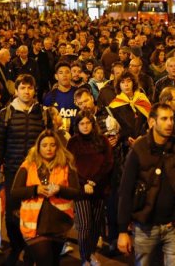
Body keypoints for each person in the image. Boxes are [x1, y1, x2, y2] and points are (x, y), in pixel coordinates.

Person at [0, 74, 55, 265]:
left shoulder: (43, 113)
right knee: (12, 214)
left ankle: (30, 249)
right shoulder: (6, 114)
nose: (27, 92)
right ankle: (17, 245)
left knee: (35, 212)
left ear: (35, 90)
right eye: (23, 88)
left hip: (38, 171)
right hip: (13, 170)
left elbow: (50, 142)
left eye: (30, 88)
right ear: (16, 90)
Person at [116, 103, 175, 266]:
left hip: (174, 226)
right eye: (164, 119)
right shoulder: (139, 148)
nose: (169, 123)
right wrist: (123, 230)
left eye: (171, 118)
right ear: (152, 122)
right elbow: (125, 190)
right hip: (145, 227)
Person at [12, 130, 81, 266]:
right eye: (44, 145)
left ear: (57, 146)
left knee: (54, 262)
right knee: (45, 261)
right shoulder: (28, 165)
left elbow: (76, 192)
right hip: (34, 226)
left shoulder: (66, 165)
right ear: (38, 147)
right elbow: (15, 192)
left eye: (52, 145)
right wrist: (35, 189)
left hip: (59, 224)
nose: (48, 149)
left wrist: (59, 189)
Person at [67, 111, 114, 266]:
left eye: (88, 123)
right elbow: (70, 166)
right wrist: (84, 183)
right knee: (85, 226)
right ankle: (85, 257)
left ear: (93, 124)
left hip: (99, 188)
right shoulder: (73, 142)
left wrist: (94, 181)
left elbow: (108, 163)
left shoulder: (102, 140)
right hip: (81, 190)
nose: (85, 126)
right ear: (77, 125)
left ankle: (92, 252)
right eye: (82, 123)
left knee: (95, 225)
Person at [107, 70, 151, 149]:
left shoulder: (142, 99)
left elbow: (150, 121)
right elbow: (117, 128)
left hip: (145, 141)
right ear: (119, 85)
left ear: (133, 83)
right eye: (122, 82)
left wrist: (142, 136)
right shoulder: (114, 105)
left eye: (129, 81)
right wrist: (127, 138)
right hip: (126, 145)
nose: (126, 85)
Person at [43, 62, 78, 135]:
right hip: (57, 136)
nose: (64, 75)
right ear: (56, 76)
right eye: (61, 73)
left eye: (67, 72)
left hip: (77, 135)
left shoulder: (78, 94)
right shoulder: (50, 97)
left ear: (71, 75)